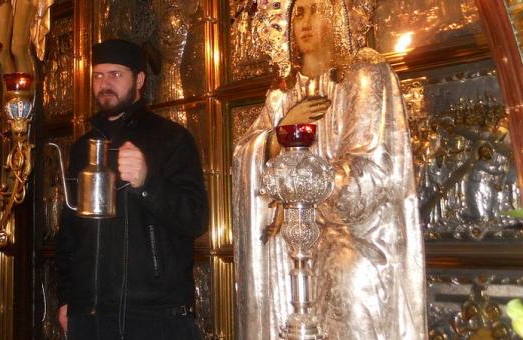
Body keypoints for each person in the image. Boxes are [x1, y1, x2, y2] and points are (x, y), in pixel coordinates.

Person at [232, 0, 427, 339]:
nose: (305, 22)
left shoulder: (364, 76)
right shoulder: (280, 97)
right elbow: (243, 160)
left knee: (343, 275)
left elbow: (372, 171)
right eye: (298, 13)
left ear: (338, 14)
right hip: (291, 242)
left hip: (354, 240)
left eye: (316, 10)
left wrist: (305, 182)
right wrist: (281, 135)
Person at [56, 39, 208, 340]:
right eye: (98, 75)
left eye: (115, 74)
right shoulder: (81, 148)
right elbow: (69, 232)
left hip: (155, 317)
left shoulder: (171, 139)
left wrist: (147, 183)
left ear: (139, 80)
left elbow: (195, 218)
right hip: (89, 316)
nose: (104, 84)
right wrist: (65, 299)